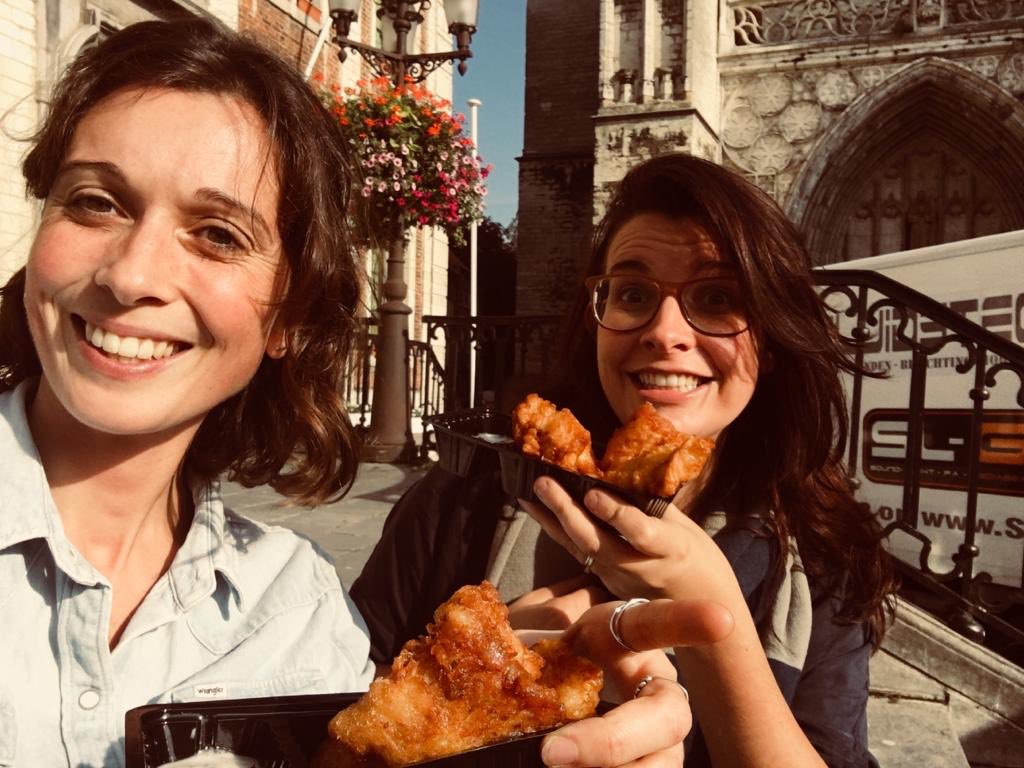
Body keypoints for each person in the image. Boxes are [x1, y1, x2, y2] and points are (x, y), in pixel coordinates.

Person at [0, 17, 726, 768]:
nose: (131, 275)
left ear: (289, 316)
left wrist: (487, 723)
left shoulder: (296, 608)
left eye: (218, 234)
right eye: (95, 202)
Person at [352, 152, 898, 767]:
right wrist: (473, 672)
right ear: (597, 321)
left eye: (718, 297)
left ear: (770, 342)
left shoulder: (822, 554)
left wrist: (712, 616)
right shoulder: (463, 499)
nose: (666, 331)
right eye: (634, 293)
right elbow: (339, 728)